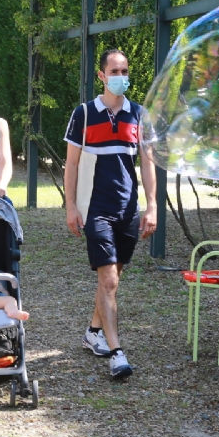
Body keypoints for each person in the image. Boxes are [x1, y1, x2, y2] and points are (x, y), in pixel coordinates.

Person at [64, 49, 158, 379]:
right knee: (109, 279)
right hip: (96, 209)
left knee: (112, 279)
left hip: (128, 209)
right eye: (114, 70)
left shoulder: (139, 115)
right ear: (102, 75)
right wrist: (71, 206)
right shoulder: (85, 114)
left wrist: (152, 206)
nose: (121, 76)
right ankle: (117, 353)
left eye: (125, 70)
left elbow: (147, 164)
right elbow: (72, 164)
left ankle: (93, 330)